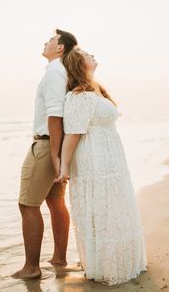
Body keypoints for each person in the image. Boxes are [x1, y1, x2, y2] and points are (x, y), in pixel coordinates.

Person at [55, 47, 147, 285]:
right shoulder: (78, 95)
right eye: (86, 53)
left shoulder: (95, 89)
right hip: (93, 159)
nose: (92, 54)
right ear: (78, 62)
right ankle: (105, 264)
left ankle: (121, 260)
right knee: (101, 207)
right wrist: (64, 167)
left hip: (111, 157)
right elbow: (72, 134)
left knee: (115, 207)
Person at [12, 29, 78, 279]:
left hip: (46, 145)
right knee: (55, 202)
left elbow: (55, 115)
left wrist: (52, 156)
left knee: (27, 204)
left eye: (51, 40)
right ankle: (59, 258)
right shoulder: (62, 72)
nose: (46, 42)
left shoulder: (54, 72)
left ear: (60, 48)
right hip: (56, 145)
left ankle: (31, 268)